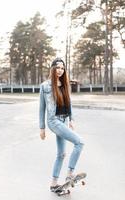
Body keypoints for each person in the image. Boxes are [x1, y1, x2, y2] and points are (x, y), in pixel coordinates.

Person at [39, 58, 85, 192]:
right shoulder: (45, 86)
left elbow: (69, 103)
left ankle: (54, 183)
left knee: (61, 154)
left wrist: (71, 119)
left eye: (62, 68)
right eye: (57, 67)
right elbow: (41, 108)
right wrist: (42, 128)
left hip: (64, 120)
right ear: (52, 69)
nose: (60, 70)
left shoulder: (65, 84)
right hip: (54, 121)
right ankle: (70, 174)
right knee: (80, 142)